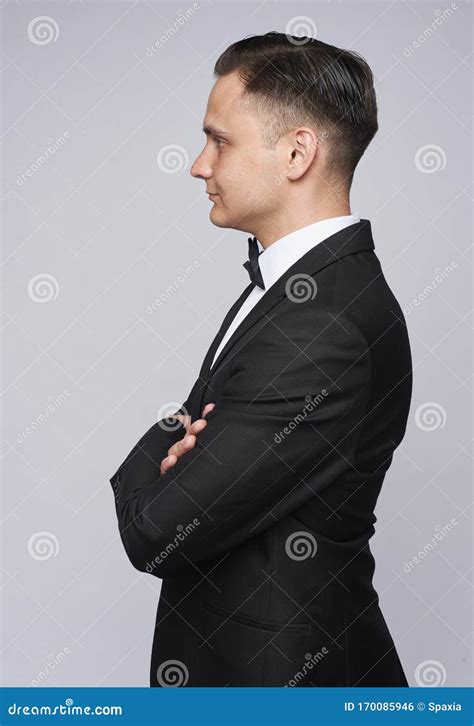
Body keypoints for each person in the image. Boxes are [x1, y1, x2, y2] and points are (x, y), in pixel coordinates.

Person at [109, 32, 412, 687]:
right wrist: (185, 434)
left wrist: (151, 459)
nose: (198, 164)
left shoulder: (321, 322)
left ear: (298, 152)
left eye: (219, 140)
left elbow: (158, 531)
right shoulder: (297, 293)